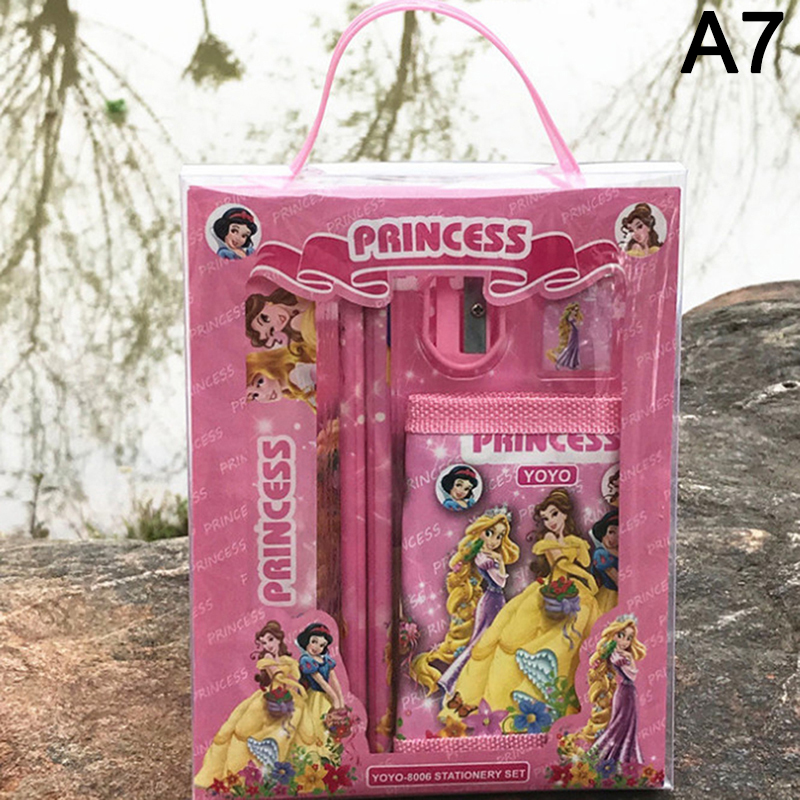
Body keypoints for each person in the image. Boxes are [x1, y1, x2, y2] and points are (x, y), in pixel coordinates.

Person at [444, 489, 600, 717]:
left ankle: (523, 700)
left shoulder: (571, 540)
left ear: (565, 514)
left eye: (554, 514)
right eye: (546, 518)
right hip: (549, 587)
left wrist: (579, 546)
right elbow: (563, 565)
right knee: (504, 636)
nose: (550, 521)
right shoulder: (548, 540)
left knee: (569, 636)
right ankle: (472, 694)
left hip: (570, 590)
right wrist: (587, 577)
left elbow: (584, 561)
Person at [411, 509, 520, 697]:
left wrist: (499, 558)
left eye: (499, 536)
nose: (494, 541)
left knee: (491, 642)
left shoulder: (489, 556)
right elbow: (500, 582)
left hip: (496, 600)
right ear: (479, 532)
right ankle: (452, 681)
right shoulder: (482, 558)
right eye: (489, 533)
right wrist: (499, 560)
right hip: (491, 601)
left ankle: (483, 682)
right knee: (480, 642)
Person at [194, 621, 307, 789]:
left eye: (270, 640)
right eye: (264, 642)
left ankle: (279, 762)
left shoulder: (284, 659)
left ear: (279, 639)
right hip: (272, 696)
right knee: (243, 728)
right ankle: (254, 757)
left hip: (287, 696)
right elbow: (278, 676)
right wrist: (297, 685)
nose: (268, 645)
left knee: (298, 722)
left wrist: (292, 666)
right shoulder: (267, 659)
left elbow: (296, 675)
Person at [565, 616, 647, 764]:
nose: (624, 641)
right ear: (613, 634)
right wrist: (628, 657)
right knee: (618, 725)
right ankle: (603, 756)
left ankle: (623, 757)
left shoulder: (624, 655)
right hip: (624, 692)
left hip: (630, 692)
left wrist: (629, 656)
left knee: (629, 725)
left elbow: (633, 674)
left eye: (629, 638)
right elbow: (632, 674)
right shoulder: (615, 655)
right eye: (621, 635)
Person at [294, 622, 345, 747]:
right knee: (315, 722)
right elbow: (321, 682)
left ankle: (327, 751)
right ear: (307, 640)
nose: (317, 647)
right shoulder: (306, 660)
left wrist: (341, 700)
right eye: (314, 641)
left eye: (322, 645)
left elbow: (334, 681)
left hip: (325, 696)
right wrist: (335, 699)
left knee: (329, 725)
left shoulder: (326, 660)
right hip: (314, 696)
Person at [245, 290, 316, 360]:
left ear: (265, 303)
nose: (276, 325)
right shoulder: (297, 324)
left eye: (266, 318)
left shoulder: (291, 290)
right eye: (272, 330)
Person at [245, 349, 317, 410]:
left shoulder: (299, 374)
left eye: (260, 382)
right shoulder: (296, 387)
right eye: (255, 395)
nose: (264, 394)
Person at [591, 510, 619, 616]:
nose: (613, 538)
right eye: (611, 532)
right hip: (610, 596)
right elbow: (618, 580)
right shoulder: (601, 554)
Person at [546, 303, 583, 370]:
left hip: (576, 334)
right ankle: (559, 362)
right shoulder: (570, 317)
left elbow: (579, 324)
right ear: (570, 310)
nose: (575, 312)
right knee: (570, 348)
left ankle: (572, 364)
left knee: (575, 349)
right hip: (573, 334)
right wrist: (578, 322)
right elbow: (576, 324)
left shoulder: (574, 317)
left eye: (576, 310)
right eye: (574, 310)